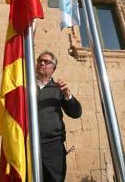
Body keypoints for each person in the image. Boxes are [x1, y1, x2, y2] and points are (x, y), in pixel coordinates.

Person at [36, 50, 82, 182]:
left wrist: (67, 95)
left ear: (53, 68)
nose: (42, 63)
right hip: (27, 144)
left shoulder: (58, 89)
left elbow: (76, 113)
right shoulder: (26, 86)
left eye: (47, 62)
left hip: (53, 146)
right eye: (40, 60)